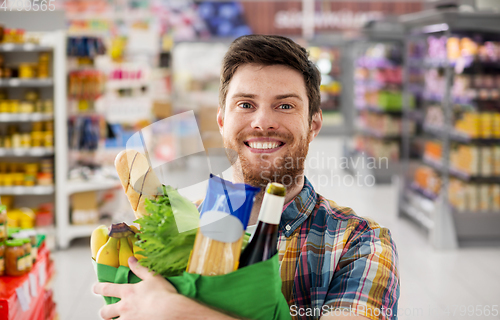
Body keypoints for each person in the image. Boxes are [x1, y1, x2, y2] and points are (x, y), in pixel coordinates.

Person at [93, 34, 400, 320]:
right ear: (222, 121)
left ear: (314, 125)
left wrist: (177, 310)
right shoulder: (173, 231)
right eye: (245, 104)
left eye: (285, 105)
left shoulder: (359, 242)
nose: (263, 122)